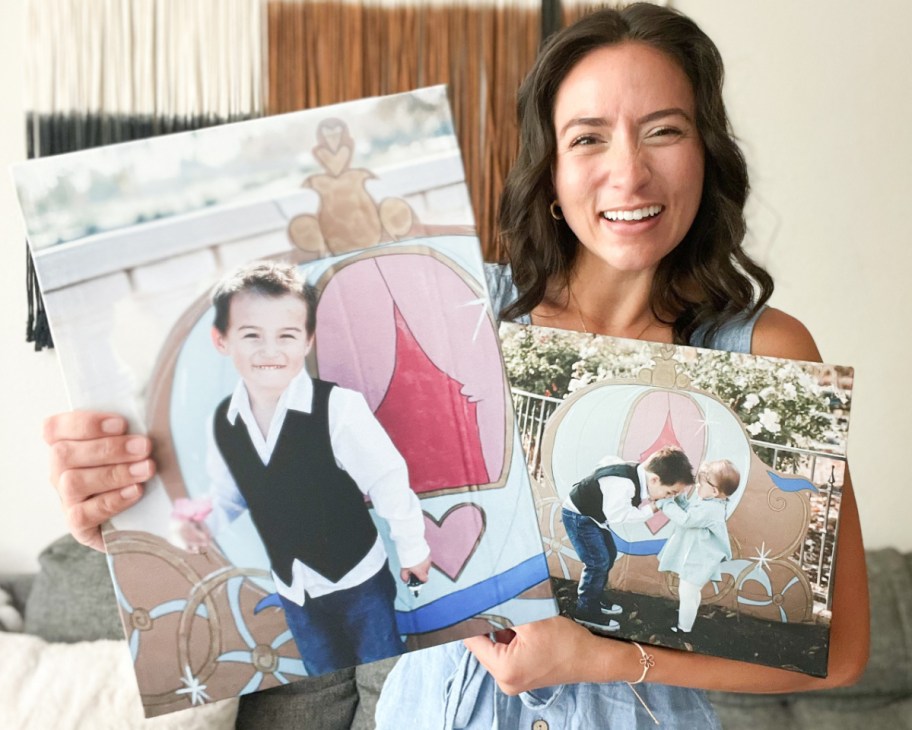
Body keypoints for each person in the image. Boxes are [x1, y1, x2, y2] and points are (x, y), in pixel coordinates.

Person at [43, 4, 869, 728]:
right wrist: (129, 502)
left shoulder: (761, 350)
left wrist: (595, 658)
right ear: (551, 171)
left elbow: (836, 653)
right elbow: (300, 459)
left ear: (705, 152)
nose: (629, 170)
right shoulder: (456, 306)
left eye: (665, 129)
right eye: (589, 138)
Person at [177, 260, 431, 674]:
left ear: (307, 340)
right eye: (251, 335)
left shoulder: (337, 408)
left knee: (385, 672)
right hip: (294, 591)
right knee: (323, 676)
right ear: (222, 340)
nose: (270, 350)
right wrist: (205, 523)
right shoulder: (222, 423)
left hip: (358, 580)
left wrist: (413, 547)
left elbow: (387, 479)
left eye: (286, 335)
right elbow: (230, 495)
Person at [562, 446, 693, 631]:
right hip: (579, 516)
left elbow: (607, 462)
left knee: (609, 554)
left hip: (594, 517)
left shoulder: (635, 473)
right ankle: (586, 611)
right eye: (670, 492)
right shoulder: (624, 483)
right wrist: (653, 509)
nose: (668, 497)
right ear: (655, 479)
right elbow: (619, 515)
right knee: (597, 562)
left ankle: (595, 597)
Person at [657, 460, 740, 634]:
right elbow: (690, 510)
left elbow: (686, 519)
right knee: (690, 592)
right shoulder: (709, 502)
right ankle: (686, 616)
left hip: (700, 560)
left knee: (687, 592)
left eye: (701, 484)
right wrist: (679, 498)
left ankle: (683, 629)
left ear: (715, 491)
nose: (697, 486)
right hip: (698, 557)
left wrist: (666, 503)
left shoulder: (711, 510)